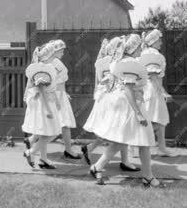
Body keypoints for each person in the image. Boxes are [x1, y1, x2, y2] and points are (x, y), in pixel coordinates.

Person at [88, 34, 164, 188]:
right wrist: (137, 112)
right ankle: (148, 177)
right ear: (134, 47)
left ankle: (97, 167)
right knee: (143, 140)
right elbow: (129, 89)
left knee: (121, 140)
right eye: (139, 46)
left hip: (124, 104)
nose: (140, 49)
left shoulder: (121, 62)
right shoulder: (130, 64)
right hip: (130, 105)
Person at [82, 37, 139, 171]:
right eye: (120, 46)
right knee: (116, 130)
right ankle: (94, 152)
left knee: (113, 130)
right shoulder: (115, 62)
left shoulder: (101, 62)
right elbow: (114, 81)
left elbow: (100, 81)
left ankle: (124, 161)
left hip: (103, 99)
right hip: (112, 99)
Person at [21, 41, 62, 170]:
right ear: (49, 55)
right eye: (54, 53)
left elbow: (49, 88)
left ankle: (43, 158)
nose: (56, 55)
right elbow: (42, 91)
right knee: (53, 132)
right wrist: (49, 109)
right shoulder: (43, 70)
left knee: (44, 132)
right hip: (43, 103)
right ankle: (31, 152)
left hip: (44, 102)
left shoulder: (44, 67)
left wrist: (56, 101)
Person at [139, 29, 175, 157]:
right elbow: (153, 76)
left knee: (155, 120)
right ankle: (155, 147)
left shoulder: (145, 53)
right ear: (153, 41)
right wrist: (163, 92)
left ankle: (159, 147)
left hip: (148, 90)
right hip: (152, 91)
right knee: (154, 120)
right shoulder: (153, 55)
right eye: (159, 40)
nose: (161, 43)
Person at [49, 40, 81, 159]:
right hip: (58, 96)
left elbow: (58, 81)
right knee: (64, 124)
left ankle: (32, 143)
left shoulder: (53, 62)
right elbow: (53, 82)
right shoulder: (54, 63)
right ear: (55, 50)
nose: (63, 52)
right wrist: (61, 93)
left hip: (60, 94)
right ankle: (33, 146)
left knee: (62, 124)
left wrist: (64, 92)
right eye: (61, 50)